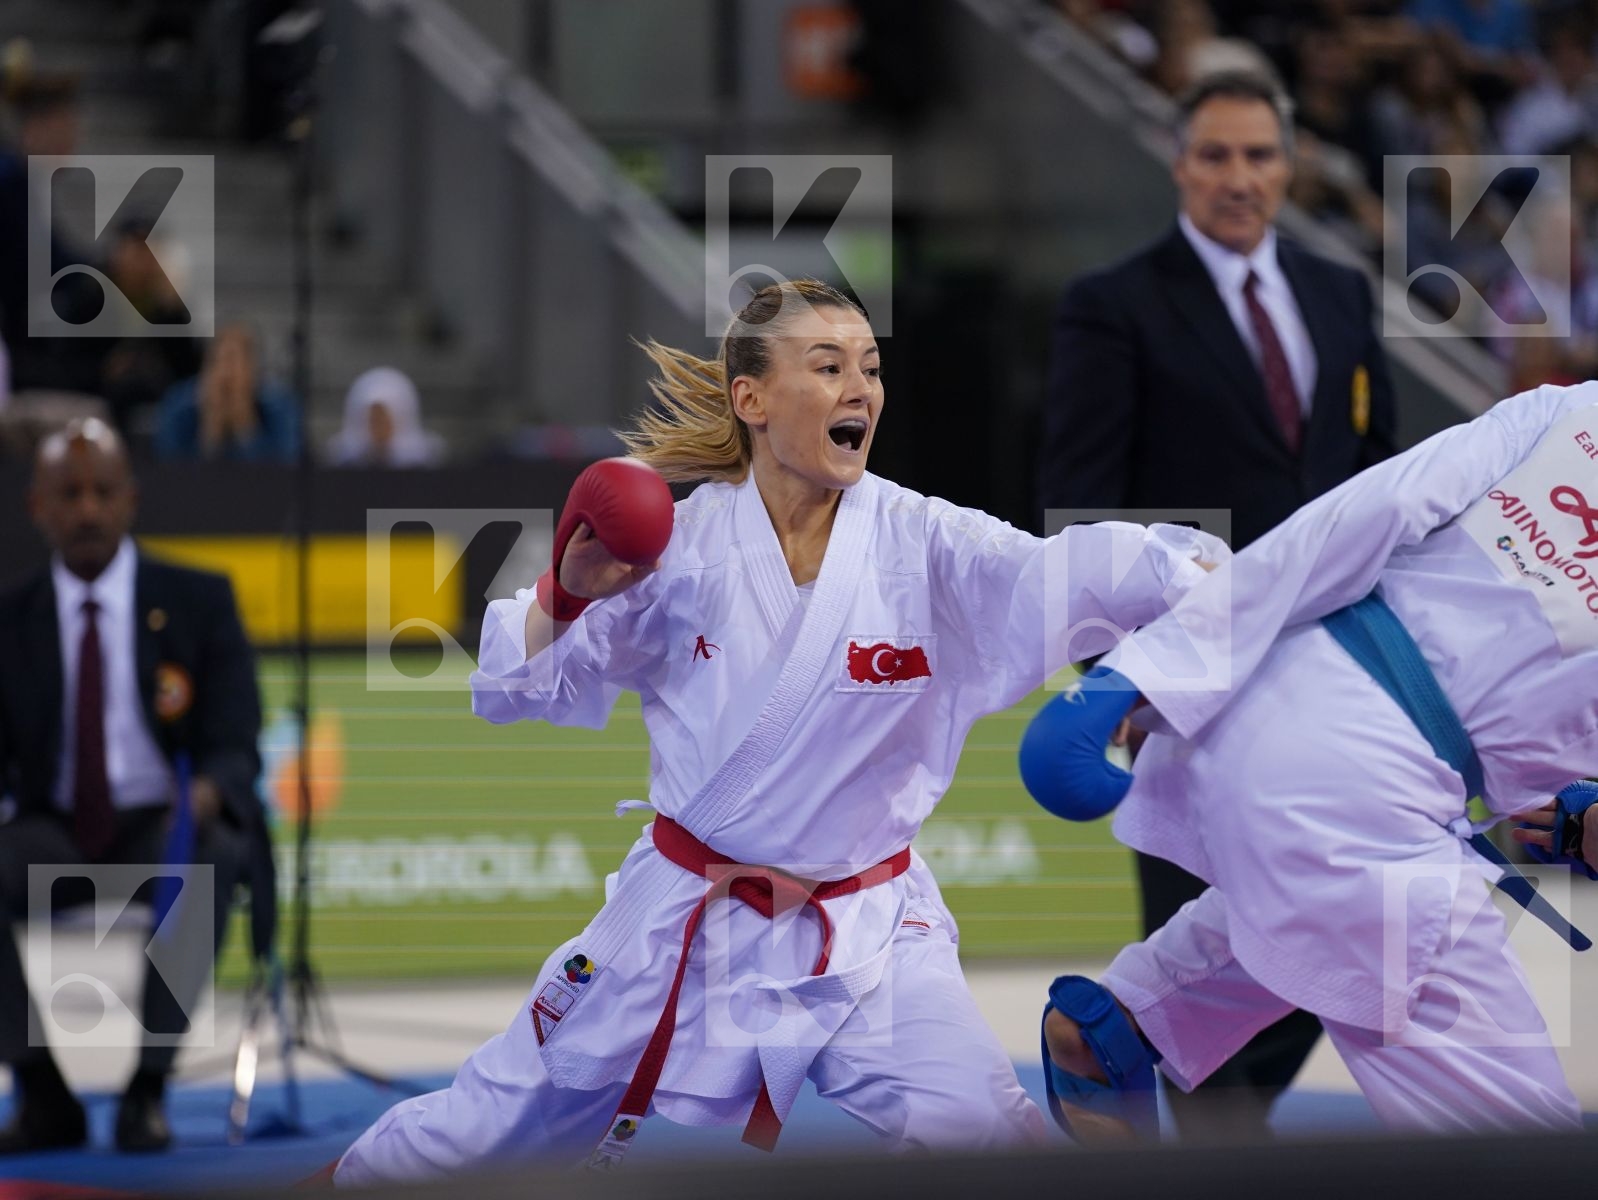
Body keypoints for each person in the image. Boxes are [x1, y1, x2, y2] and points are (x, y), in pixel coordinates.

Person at [331, 279, 1228, 1184]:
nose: (860, 391)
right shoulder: (677, 550)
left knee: (987, 1139)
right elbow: (512, 688)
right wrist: (568, 594)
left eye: (870, 370)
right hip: (684, 915)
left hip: (868, 930)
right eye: (828, 366)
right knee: (477, 1136)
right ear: (751, 399)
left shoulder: (928, 545)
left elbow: (1067, 572)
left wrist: (1200, 574)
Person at [1027, 380, 1598, 1136]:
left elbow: (1369, 510)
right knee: (1524, 1154)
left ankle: (1125, 1020)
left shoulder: (1574, 408)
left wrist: (1157, 668)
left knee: (1315, 911)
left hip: (1274, 689)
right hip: (1368, 795)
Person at [1038, 68, 1397, 1137]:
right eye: (1214, 156)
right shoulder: (1111, 305)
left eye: (1258, 156)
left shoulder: (1337, 295)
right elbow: (1079, 512)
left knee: (1331, 926)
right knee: (1187, 941)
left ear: (1288, 166)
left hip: (1334, 681)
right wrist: (1119, 681)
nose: (1237, 179)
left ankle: (1222, 1132)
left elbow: (1376, 488)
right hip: (1186, 683)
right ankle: (1201, 1150)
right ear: (1177, 163)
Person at [0, 418, 267, 1153]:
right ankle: (42, 1091)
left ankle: (147, 1091)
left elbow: (236, 739)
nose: (87, 509)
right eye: (68, 494)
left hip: (163, 823)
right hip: (49, 824)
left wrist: (211, 786)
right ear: (38, 508)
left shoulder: (198, 599)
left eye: (102, 492)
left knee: (213, 847)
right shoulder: (10, 619)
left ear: (131, 500)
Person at [154, 324, 298, 463]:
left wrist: (245, 427)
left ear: (254, 369)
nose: (226, 374)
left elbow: (287, 471)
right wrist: (209, 433)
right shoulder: (180, 404)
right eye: (218, 361)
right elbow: (167, 468)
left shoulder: (279, 405)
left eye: (234, 361)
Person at [325, 366, 445, 468]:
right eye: (373, 420)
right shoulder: (342, 463)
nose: (378, 427)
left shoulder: (425, 462)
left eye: (384, 420)